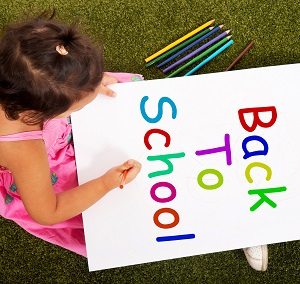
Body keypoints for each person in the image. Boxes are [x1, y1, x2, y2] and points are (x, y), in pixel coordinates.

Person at [0, 11, 267, 271]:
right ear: (41, 112)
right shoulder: (24, 150)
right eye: (79, 102)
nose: (93, 89)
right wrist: (105, 183)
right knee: (144, 190)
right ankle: (236, 220)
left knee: (148, 120)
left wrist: (85, 86)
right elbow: (48, 212)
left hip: (56, 126)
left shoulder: (23, 82)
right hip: (56, 172)